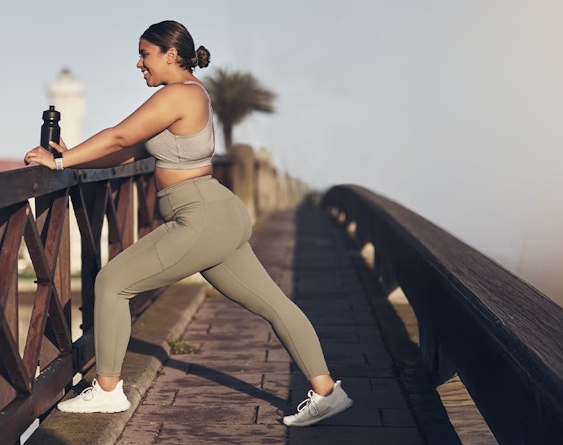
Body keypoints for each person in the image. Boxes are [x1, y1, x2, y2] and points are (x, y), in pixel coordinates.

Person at [22, 20, 352, 427]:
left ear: (170, 55)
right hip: (214, 212)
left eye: (145, 54)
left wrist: (57, 163)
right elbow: (130, 152)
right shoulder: (190, 94)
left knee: (112, 282)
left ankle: (107, 391)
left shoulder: (177, 94)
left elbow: (121, 137)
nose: (139, 63)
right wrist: (75, 157)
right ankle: (327, 392)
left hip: (199, 216)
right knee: (273, 305)